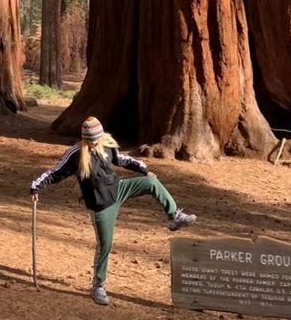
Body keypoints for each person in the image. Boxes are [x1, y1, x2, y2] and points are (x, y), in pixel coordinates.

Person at [29, 116, 196, 306]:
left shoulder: (107, 145)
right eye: (92, 140)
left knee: (151, 182)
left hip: (119, 189)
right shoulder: (76, 154)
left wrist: (144, 170)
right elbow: (55, 172)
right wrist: (36, 187)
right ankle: (98, 286)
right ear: (86, 139)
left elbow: (123, 160)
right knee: (105, 246)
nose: (96, 142)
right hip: (101, 206)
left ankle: (175, 216)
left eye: (98, 138)